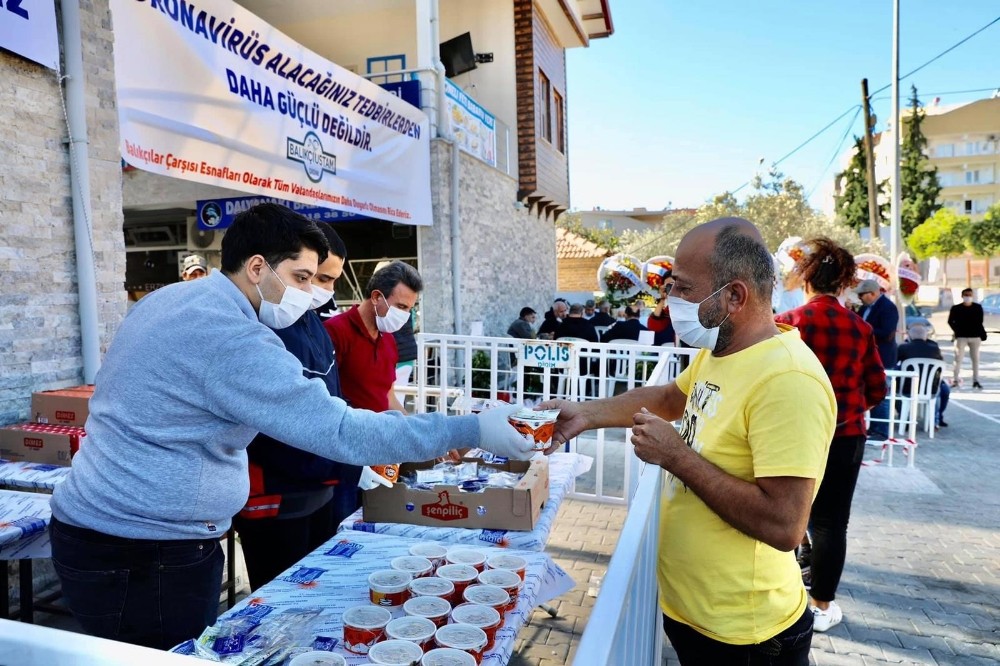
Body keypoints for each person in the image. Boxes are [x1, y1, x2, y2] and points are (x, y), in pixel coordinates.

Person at [48, 204, 532, 650]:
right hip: (143, 551)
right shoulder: (232, 338)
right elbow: (343, 432)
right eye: (300, 277)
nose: (307, 293)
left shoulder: (173, 299)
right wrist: (470, 429)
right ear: (257, 267)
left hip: (107, 532)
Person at [542, 218, 835, 664]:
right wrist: (586, 413)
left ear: (735, 296)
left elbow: (784, 525)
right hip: (698, 617)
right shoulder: (723, 352)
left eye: (682, 287)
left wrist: (676, 456)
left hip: (747, 636)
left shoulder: (788, 380)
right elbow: (667, 398)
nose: (670, 299)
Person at [774, 238, 887, 632]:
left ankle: (782, 595)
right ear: (843, 284)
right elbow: (877, 389)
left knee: (784, 511)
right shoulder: (860, 327)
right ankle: (821, 606)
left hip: (794, 434)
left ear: (805, 280)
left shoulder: (786, 323)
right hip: (846, 437)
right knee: (831, 523)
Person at [234, 224, 351, 591]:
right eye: (311, 278)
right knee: (280, 600)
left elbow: (330, 396)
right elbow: (271, 417)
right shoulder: (263, 322)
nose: (320, 290)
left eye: (330, 280)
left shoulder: (311, 320)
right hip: (275, 494)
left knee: (318, 590)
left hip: (320, 481)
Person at [325, 261, 421, 414]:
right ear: (376, 297)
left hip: (383, 432)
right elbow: (326, 399)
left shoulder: (389, 339)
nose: (405, 315)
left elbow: (388, 396)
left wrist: (410, 426)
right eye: (401, 307)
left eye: (410, 309)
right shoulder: (335, 331)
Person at [856, 279, 898, 440]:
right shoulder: (865, 308)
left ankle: (881, 430)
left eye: (862, 295)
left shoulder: (888, 307)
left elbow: (887, 333)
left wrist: (866, 329)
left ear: (872, 293)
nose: (860, 298)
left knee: (882, 393)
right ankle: (874, 427)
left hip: (884, 357)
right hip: (868, 357)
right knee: (871, 391)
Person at [898, 323, 950, 427]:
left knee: (894, 388)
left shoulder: (903, 347)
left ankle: (904, 417)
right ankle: (938, 418)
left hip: (907, 388)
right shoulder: (934, 348)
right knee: (945, 389)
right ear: (926, 335)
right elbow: (940, 367)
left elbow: (895, 363)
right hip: (930, 389)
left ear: (909, 335)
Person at [948, 288, 986, 389]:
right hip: (961, 337)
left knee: (975, 359)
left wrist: (981, 333)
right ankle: (955, 379)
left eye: (969, 295)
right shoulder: (956, 308)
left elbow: (980, 322)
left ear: (972, 296)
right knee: (958, 359)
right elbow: (950, 321)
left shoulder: (977, 308)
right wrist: (957, 330)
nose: (968, 297)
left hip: (975, 337)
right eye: (966, 295)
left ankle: (976, 380)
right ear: (962, 296)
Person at [646, 275, 676, 346]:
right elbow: (653, 325)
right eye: (667, 286)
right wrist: (662, 298)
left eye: (672, 284)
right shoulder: (666, 310)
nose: (670, 288)